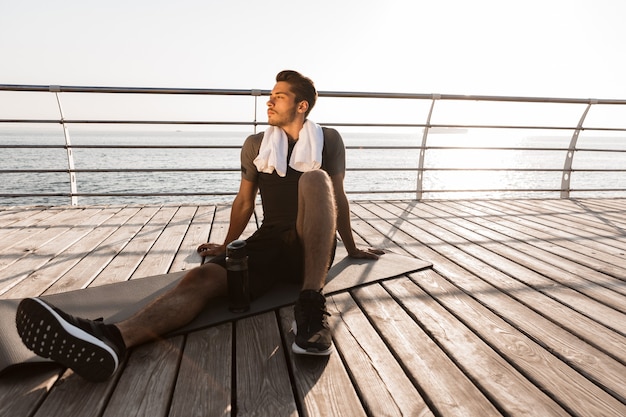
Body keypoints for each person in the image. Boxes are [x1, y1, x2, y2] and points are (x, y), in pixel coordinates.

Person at [15, 70, 383, 382]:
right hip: (270, 240)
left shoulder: (329, 139)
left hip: (311, 243)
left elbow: (338, 198)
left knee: (314, 180)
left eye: (279, 97)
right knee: (201, 278)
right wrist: (226, 246)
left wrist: (350, 247)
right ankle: (111, 340)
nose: (269, 103)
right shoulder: (256, 144)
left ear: (301, 106)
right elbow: (244, 202)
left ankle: (310, 307)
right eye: (270, 96)